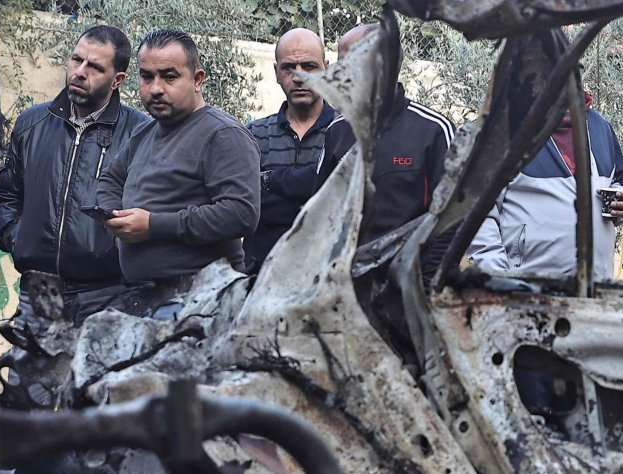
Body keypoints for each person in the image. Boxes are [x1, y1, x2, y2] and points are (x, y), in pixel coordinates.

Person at [0, 25, 151, 474]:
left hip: (108, 294)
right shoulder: (34, 123)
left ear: (118, 78)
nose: (79, 72)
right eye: (76, 60)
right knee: (24, 403)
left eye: (94, 66)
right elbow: (5, 190)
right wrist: (15, 236)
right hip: (43, 293)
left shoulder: (139, 134)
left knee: (99, 413)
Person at [96, 28, 261, 311]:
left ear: (197, 79)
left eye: (169, 76)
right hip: (142, 299)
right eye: (147, 77)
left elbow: (240, 214)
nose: (156, 88)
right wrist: (115, 217)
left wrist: (152, 226)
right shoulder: (144, 133)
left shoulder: (223, 134)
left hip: (200, 302)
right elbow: (110, 179)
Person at [314, 23, 455, 241]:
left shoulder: (434, 130)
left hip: (409, 270)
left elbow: (448, 224)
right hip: (344, 272)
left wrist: (424, 274)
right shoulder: (338, 130)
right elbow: (318, 216)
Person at [468, 93, 623, 280]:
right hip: (526, 291)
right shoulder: (504, 128)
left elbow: (620, 182)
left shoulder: (600, 126)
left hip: (594, 287)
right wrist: (497, 278)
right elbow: (477, 213)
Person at [244, 28, 338, 271]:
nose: (299, 77)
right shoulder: (253, 135)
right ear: (276, 72)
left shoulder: (344, 132)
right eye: (289, 68)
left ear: (325, 68)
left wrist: (269, 181)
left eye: (309, 66)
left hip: (325, 273)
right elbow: (244, 205)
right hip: (261, 274)